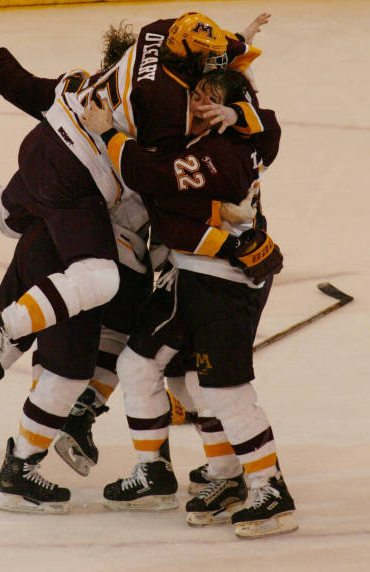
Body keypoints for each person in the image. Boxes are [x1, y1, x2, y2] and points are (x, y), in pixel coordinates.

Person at [0, 10, 269, 514]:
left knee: (11, 242)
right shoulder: (154, 129)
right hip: (86, 230)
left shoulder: (85, 81)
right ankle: (30, 458)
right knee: (85, 348)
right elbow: (162, 186)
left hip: (43, 204)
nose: (194, 101)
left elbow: (11, 160)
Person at [81, 69, 298, 538]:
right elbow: (268, 123)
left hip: (224, 285)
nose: (196, 101)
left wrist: (108, 134)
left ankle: (269, 487)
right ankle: (174, 475)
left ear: (231, 109)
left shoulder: (223, 154)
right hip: (186, 277)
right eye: (195, 93)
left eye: (208, 97)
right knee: (143, 367)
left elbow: (149, 173)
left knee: (222, 391)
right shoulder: (239, 131)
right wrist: (239, 107)